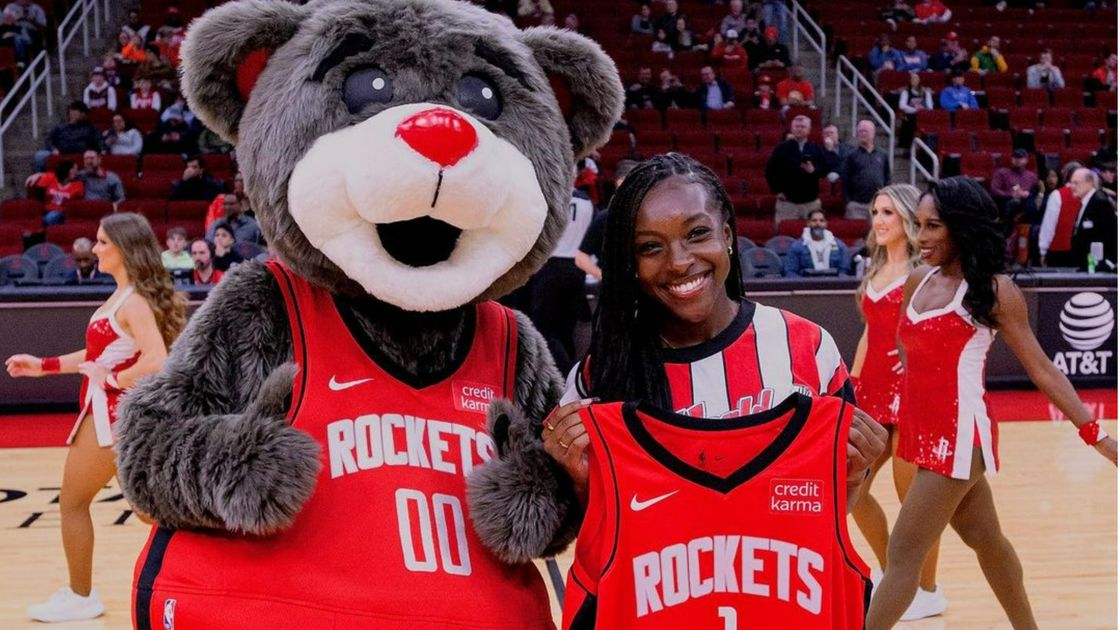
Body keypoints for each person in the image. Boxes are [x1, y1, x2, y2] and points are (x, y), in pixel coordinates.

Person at [540, 152, 887, 520]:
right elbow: (591, 525)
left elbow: (825, 515)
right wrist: (576, 479)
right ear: (630, 263)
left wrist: (853, 478)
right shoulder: (600, 374)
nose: (679, 261)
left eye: (697, 233)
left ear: (727, 235)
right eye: (650, 247)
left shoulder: (807, 347)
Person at [865, 177, 1117, 630]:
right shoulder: (918, 280)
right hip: (921, 429)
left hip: (959, 436)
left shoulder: (995, 291)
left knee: (903, 552)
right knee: (987, 540)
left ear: (962, 228)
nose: (921, 238)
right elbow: (908, 353)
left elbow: (1043, 369)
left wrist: (1095, 434)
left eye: (933, 227)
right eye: (918, 225)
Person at [5, 213, 185, 623]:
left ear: (123, 248)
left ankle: (81, 595)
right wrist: (44, 365)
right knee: (147, 512)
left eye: (103, 242)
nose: (95, 248)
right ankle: (217, 566)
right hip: (110, 413)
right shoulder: (121, 298)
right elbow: (95, 357)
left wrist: (115, 378)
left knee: (73, 502)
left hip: (113, 416)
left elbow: (158, 359)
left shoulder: (134, 300)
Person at [848, 184, 947, 620]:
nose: (879, 219)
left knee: (916, 505)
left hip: (911, 396)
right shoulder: (873, 272)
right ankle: (896, 575)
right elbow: (870, 334)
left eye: (887, 211)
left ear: (905, 218)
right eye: (874, 211)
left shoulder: (925, 273)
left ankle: (927, 589)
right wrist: (848, 383)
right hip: (870, 395)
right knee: (853, 490)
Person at [1040, 167, 1117, 269]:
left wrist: (1109, 263)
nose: (1072, 186)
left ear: (1089, 183)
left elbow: (1112, 234)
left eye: (1076, 183)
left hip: (1097, 267)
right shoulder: (1086, 202)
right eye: (1071, 183)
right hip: (1084, 263)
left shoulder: (1100, 202)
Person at [766, 114, 827, 227]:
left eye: (803, 126)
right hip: (787, 203)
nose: (799, 129)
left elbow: (824, 170)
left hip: (811, 203)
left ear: (809, 130)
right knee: (784, 237)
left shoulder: (816, 149)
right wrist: (776, 191)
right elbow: (770, 171)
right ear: (792, 128)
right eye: (797, 126)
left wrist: (813, 171)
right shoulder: (781, 149)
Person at [842, 120, 891, 221]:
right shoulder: (851, 155)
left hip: (877, 205)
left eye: (865, 131)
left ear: (873, 134)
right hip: (856, 206)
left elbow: (887, 178)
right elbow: (845, 180)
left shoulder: (882, 154)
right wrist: (849, 202)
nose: (862, 134)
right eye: (860, 131)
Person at [33, 101, 102, 173]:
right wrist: (53, 149)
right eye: (70, 113)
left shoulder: (91, 128)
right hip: (60, 153)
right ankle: (40, 177)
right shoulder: (60, 128)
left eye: (75, 113)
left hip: (81, 153)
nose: (72, 115)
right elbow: (49, 140)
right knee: (40, 155)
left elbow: (99, 142)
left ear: (83, 114)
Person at [783, 209, 850, 276]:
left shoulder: (840, 246)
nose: (818, 224)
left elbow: (844, 271)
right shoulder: (796, 247)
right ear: (808, 223)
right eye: (814, 220)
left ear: (826, 224)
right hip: (805, 284)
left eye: (821, 221)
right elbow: (790, 271)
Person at [26, 160, 84, 227]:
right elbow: (38, 192)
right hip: (46, 210)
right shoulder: (50, 177)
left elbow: (77, 203)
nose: (76, 171)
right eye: (74, 169)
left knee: (52, 217)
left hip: (62, 213)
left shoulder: (78, 185)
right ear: (66, 169)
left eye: (76, 169)